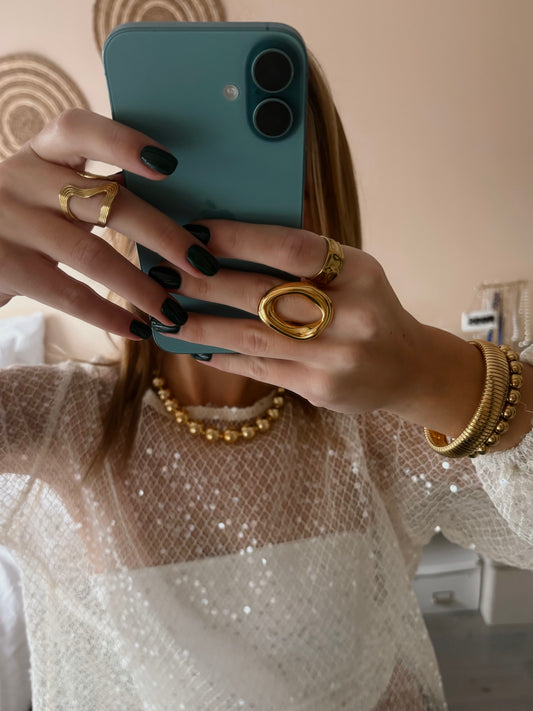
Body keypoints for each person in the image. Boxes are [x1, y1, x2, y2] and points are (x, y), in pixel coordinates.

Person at [0, 50, 532, 711]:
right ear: (127, 200)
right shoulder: (56, 422)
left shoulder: (383, 422)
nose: (225, 213)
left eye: (263, 181)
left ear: (319, 202)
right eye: (185, 181)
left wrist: (438, 376)